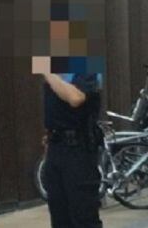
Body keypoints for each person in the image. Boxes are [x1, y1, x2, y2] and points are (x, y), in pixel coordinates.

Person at [41, 71, 103, 228]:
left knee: (83, 216)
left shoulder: (86, 67)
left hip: (78, 150)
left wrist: (48, 73)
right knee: (59, 216)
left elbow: (76, 98)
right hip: (56, 148)